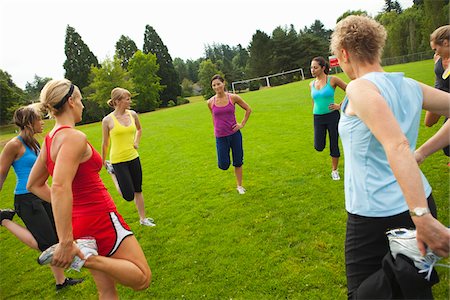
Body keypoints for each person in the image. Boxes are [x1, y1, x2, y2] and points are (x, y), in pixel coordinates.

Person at [330, 15, 450, 298]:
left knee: (359, 293)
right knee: (415, 292)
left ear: (344, 52)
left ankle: (406, 262)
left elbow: (396, 144)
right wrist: (421, 153)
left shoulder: (359, 87)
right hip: (418, 199)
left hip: (376, 212)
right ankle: (411, 265)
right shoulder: (409, 86)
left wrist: (421, 217)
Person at [27, 79, 151, 300]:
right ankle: (85, 257)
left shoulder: (50, 138)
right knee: (142, 278)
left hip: (81, 226)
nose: (83, 106)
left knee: (106, 290)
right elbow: (59, 186)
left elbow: (34, 184)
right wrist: (65, 242)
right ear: (72, 101)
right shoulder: (74, 137)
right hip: (100, 218)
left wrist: (73, 213)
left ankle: (84, 253)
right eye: (82, 101)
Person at [0, 105, 83, 291]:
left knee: (55, 238)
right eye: (39, 119)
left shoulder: (36, 143)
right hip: (26, 199)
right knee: (44, 243)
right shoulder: (14, 144)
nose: (42, 122)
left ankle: (60, 282)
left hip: (42, 194)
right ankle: (4, 220)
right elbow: (1, 173)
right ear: (30, 122)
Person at [101, 88, 155, 226]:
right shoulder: (107, 120)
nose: (130, 101)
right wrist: (102, 161)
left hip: (133, 156)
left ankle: (143, 219)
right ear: (117, 101)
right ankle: (112, 172)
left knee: (138, 189)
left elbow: (139, 129)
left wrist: (136, 142)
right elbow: (105, 142)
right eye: (127, 99)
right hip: (118, 160)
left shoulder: (133, 114)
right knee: (128, 195)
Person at [207, 74, 252, 194]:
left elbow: (248, 109)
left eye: (218, 84)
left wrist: (241, 124)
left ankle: (239, 186)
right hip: (220, 137)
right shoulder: (210, 102)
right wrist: (215, 129)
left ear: (223, 83)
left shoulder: (233, 98)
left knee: (238, 161)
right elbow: (213, 116)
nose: (217, 87)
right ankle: (225, 165)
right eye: (214, 85)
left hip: (234, 134)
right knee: (223, 165)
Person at [309, 56, 347, 180]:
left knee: (334, 143)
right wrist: (314, 113)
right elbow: (314, 100)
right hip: (318, 118)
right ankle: (333, 167)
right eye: (311, 67)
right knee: (318, 146)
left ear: (323, 68)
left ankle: (334, 171)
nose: (312, 70)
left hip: (332, 116)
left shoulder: (332, 80)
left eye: (315, 67)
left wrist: (339, 105)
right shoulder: (311, 84)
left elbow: (350, 90)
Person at [424, 25, 450, 161]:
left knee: (447, 145)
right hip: (440, 92)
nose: (436, 52)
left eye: (436, 49)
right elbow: (439, 77)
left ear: (445, 43)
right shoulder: (438, 58)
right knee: (428, 122)